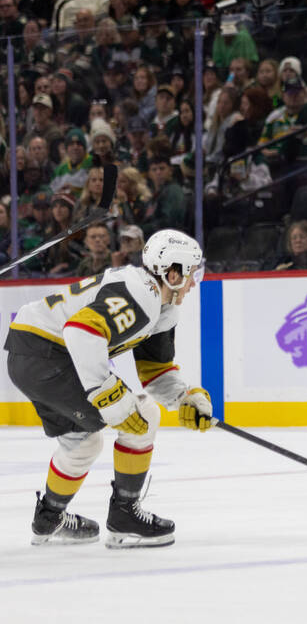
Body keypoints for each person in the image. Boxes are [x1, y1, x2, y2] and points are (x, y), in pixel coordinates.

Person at [6, 229, 211, 547]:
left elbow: (154, 371)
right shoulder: (142, 294)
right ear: (172, 273)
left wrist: (185, 398)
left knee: (82, 442)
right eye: (191, 273)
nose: (194, 281)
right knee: (142, 415)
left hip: (32, 352)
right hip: (48, 353)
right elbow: (80, 331)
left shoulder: (160, 306)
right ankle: (125, 518)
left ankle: (48, 519)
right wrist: (106, 393)